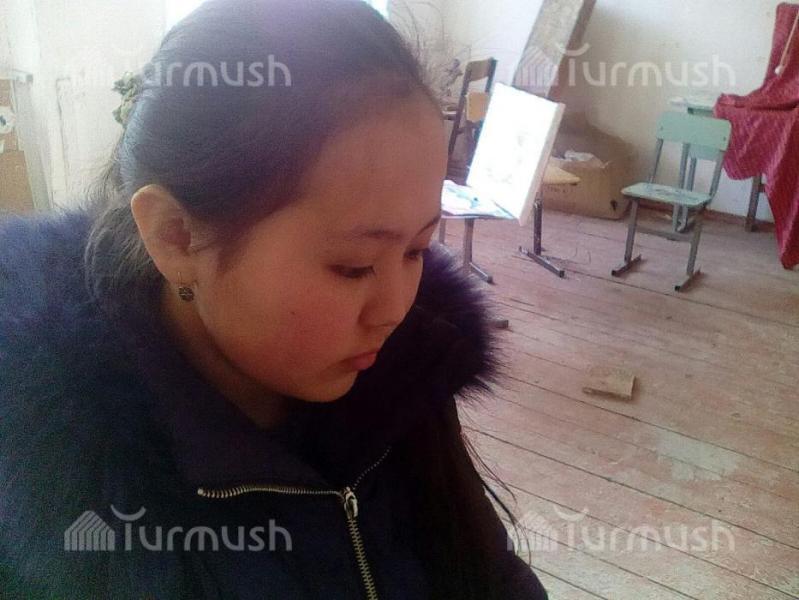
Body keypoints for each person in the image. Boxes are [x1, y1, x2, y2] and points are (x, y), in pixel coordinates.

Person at [0, 1, 548, 598]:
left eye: (417, 249)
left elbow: (490, 573)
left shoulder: (409, 374)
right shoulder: (52, 494)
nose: (395, 310)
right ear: (176, 237)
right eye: (353, 266)